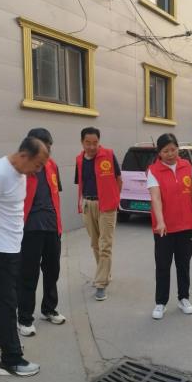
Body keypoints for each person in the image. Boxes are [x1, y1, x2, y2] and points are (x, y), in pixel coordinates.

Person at [0, 137, 49, 377]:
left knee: (5, 299)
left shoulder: (22, 173)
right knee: (7, 304)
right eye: (38, 164)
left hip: (13, 246)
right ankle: (10, 360)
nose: (39, 170)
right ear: (24, 155)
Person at [147, 133, 192, 320]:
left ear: (178, 149)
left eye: (173, 149)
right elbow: (155, 198)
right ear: (159, 152)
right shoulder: (153, 171)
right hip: (164, 229)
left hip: (186, 226)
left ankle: (183, 298)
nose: (170, 154)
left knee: (183, 264)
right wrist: (161, 221)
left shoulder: (186, 166)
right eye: (166, 151)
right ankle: (160, 303)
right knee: (163, 266)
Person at [17, 128, 66, 337]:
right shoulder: (23, 168)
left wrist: (59, 225)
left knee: (52, 271)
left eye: (50, 146)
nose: (48, 150)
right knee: (28, 275)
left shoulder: (52, 166)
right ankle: (24, 318)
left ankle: (49, 309)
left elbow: (55, 195)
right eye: (45, 146)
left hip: (52, 227)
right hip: (30, 228)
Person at [74, 127, 122, 301]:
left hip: (107, 206)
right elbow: (81, 183)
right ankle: (104, 274)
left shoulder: (108, 155)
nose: (92, 146)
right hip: (88, 204)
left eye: (95, 143)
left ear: (99, 142)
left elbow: (118, 179)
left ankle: (101, 283)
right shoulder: (79, 160)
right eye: (88, 143)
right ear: (82, 142)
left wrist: (114, 199)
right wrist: (83, 203)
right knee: (95, 244)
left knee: (105, 245)